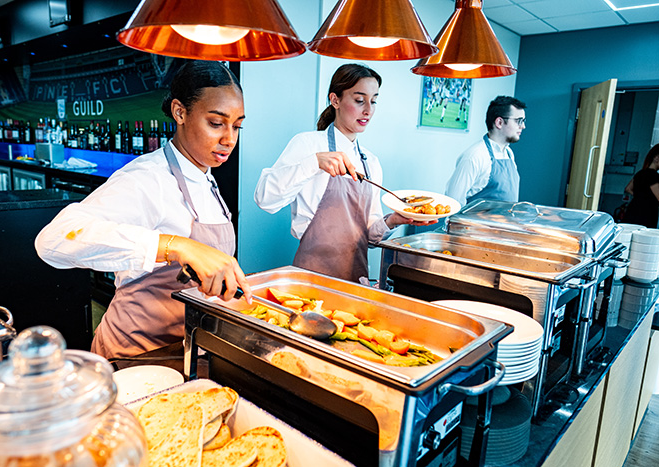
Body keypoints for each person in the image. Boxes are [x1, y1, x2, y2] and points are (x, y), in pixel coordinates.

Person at [35, 60, 252, 359]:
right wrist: (176, 246)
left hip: (186, 346)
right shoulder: (148, 177)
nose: (229, 139)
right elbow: (53, 241)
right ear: (180, 112)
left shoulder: (206, 176)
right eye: (216, 123)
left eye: (237, 126)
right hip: (136, 353)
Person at [254, 64, 429, 283]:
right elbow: (265, 199)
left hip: (355, 281)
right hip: (309, 278)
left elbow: (371, 237)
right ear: (335, 100)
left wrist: (394, 220)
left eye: (373, 101)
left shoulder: (371, 163)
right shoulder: (308, 144)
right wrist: (314, 163)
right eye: (359, 100)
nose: (368, 110)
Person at [445, 95, 527, 206]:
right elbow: (452, 202)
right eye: (519, 121)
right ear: (499, 122)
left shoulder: (509, 153)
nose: (523, 126)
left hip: (504, 223)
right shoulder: (475, 156)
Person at [622, 144, 659, 228]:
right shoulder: (654, 176)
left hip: (632, 210)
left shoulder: (640, 173)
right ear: (656, 158)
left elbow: (628, 189)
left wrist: (640, 196)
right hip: (646, 215)